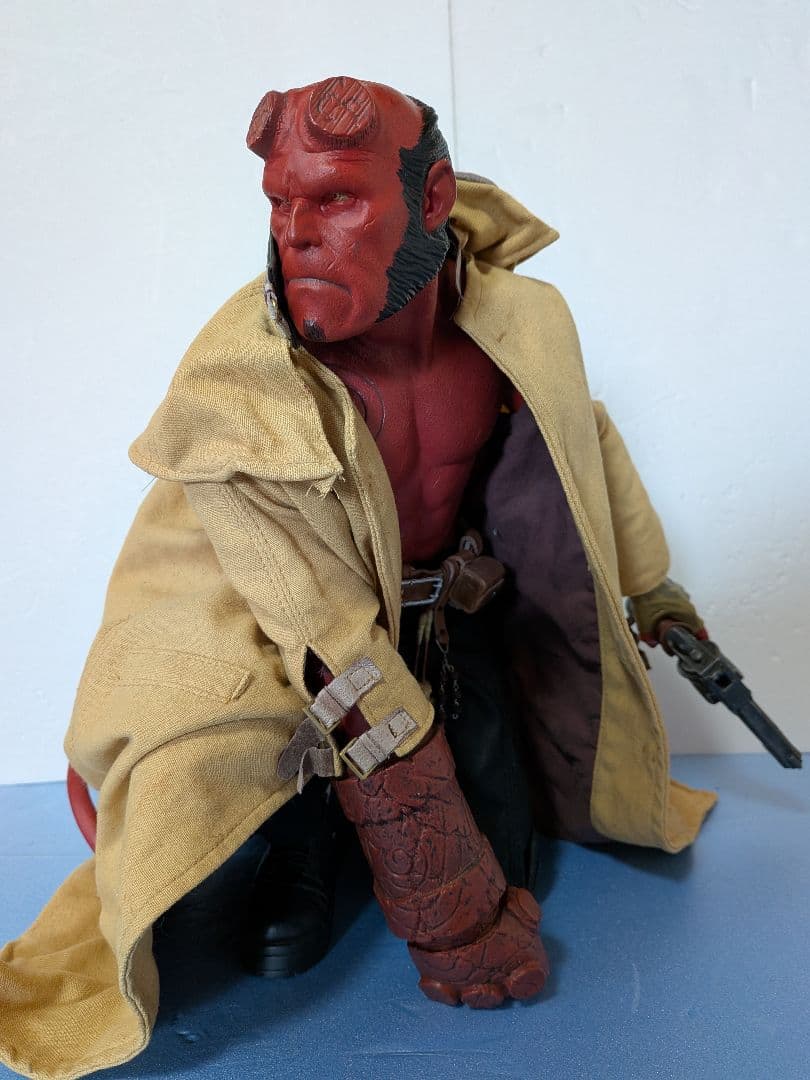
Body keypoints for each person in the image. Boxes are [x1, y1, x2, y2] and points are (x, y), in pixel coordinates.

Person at [0, 76, 716, 1079]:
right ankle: (301, 849)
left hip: (451, 618)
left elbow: (583, 448)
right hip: (291, 646)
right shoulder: (242, 391)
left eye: (336, 198)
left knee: (515, 853)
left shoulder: (517, 329)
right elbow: (321, 630)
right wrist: (446, 909)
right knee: (270, 775)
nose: (297, 234)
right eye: (281, 204)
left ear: (431, 199)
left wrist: (657, 593)